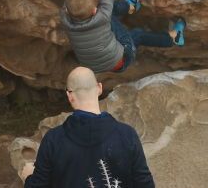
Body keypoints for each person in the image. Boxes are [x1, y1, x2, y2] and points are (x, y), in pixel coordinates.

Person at [20, 66, 155, 187]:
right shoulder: (127, 135)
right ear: (99, 88)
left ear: (69, 95)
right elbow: (145, 184)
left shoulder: (53, 140)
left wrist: (28, 177)